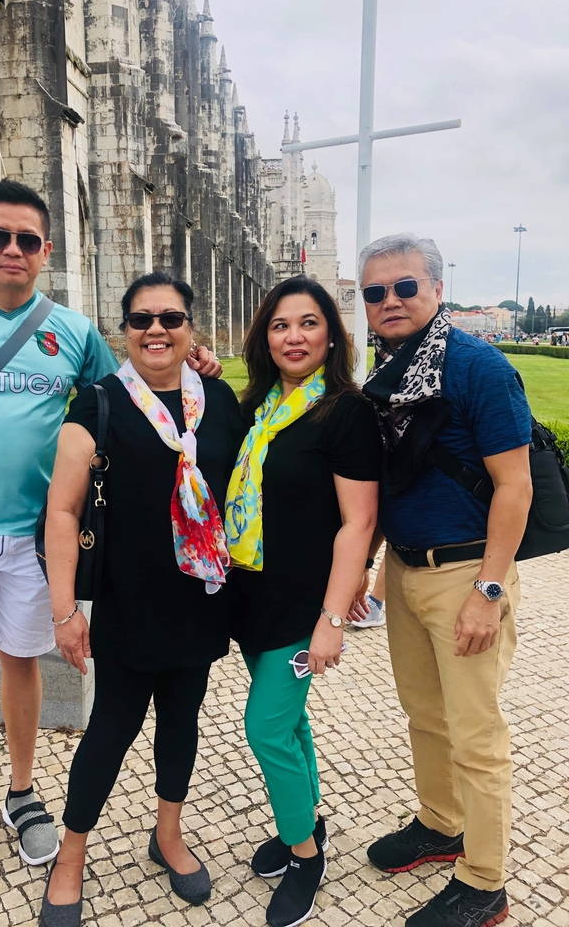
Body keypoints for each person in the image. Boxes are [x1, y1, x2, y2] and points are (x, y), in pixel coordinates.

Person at [0, 180, 221, 916]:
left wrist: (198, 364)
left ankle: (23, 795)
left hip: (36, 538)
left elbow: (133, 383)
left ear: (46, 253)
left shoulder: (70, 329)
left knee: (22, 665)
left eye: (28, 240)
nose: (12, 250)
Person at [38, 272, 245, 927]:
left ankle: (168, 833)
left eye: (171, 317)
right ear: (123, 330)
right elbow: (63, 512)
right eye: (141, 319)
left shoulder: (219, 398)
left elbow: (238, 498)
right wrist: (65, 610)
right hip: (129, 604)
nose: (156, 328)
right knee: (110, 731)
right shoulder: (97, 403)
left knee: (181, 725)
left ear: (191, 328)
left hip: (200, 599)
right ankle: (71, 855)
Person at [353, 233, 532, 927]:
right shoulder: (391, 368)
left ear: (435, 288)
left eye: (404, 287)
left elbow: (512, 487)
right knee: (425, 715)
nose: (390, 301)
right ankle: (440, 823)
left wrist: (489, 593)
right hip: (405, 568)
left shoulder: (478, 367)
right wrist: (374, 569)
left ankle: (485, 882)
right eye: (375, 292)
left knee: (476, 735)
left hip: (467, 571)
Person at [225, 275, 381, 927]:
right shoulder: (259, 406)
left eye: (309, 323)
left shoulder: (344, 411)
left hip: (302, 606)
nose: (294, 336)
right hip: (252, 597)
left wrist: (332, 618)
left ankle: (304, 853)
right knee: (290, 724)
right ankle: (307, 815)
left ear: (330, 334)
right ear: (266, 336)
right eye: (281, 324)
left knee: (263, 728)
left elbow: (358, 523)